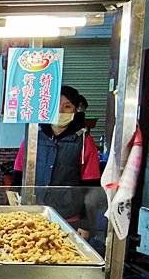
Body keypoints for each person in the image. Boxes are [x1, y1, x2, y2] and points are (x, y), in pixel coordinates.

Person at [12, 85, 101, 235]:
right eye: (56, 106)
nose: (60, 111)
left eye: (67, 106)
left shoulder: (84, 141)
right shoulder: (33, 137)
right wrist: (12, 208)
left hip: (69, 218)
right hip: (32, 214)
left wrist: (86, 224)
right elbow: (18, 173)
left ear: (75, 110)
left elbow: (91, 185)